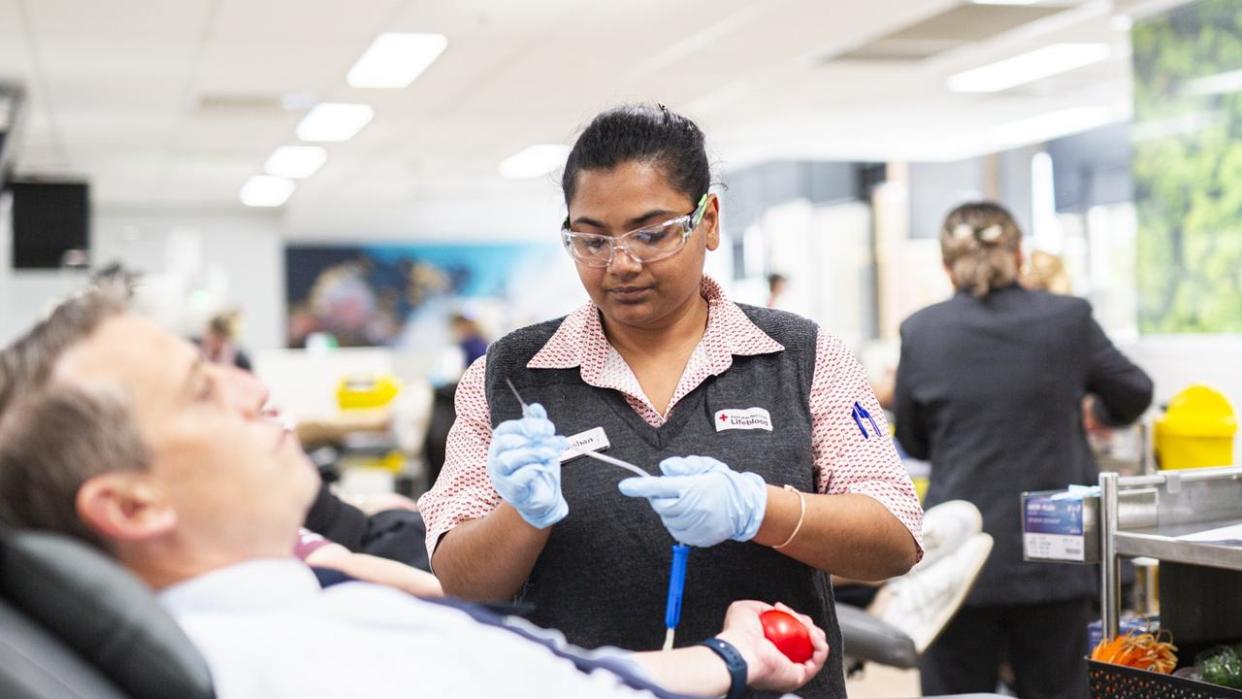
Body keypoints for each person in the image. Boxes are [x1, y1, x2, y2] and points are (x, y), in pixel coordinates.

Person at [0, 288, 828, 699]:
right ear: (135, 506)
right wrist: (737, 655)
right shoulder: (310, 666)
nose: (249, 390)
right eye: (198, 390)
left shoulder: (282, 600)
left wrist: (727, 653)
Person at [419, 104, 923, 697]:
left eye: (651, 233)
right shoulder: (509, 375)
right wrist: (521, 517)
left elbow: (895, 540)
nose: (621, 265)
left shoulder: (801, 356)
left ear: (708, 220)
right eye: (591, 240)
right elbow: (461, 586)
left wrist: (758, 509)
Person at [893, 201, 1153, 699]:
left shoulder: (921, 331)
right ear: (1019, 254)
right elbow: (1134, 390)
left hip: (960, 561)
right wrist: (1098, 414)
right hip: (1053, 558)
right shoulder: (1067, 318)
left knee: (956, 696)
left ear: (947, 265)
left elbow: (914, 439)